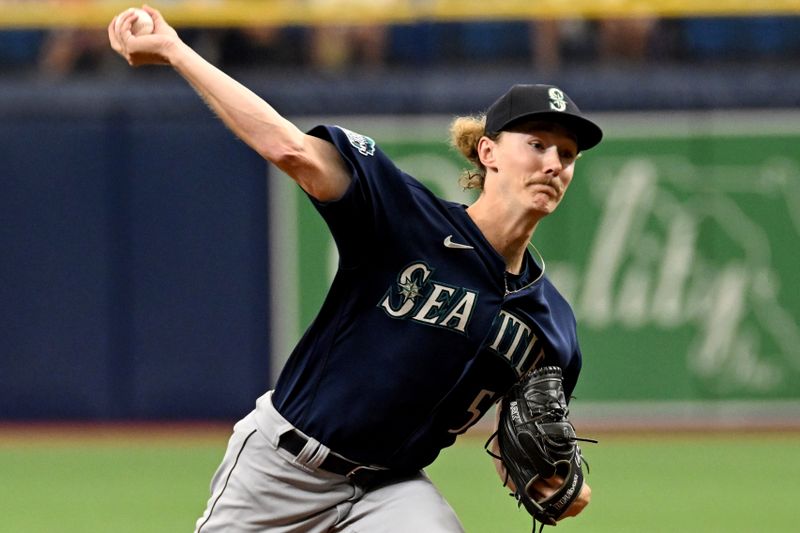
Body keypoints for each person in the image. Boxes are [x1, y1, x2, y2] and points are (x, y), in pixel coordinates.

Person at [108, 6, 603, 532]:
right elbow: (288, 146)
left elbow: (517, 447)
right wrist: (174, 50)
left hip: (390, 490)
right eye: (537, 144)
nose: (553, 163)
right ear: (488, 152)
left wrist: (559, 485)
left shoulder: (551, 326)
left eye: (567, 154)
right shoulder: (403, 217)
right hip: (282, 470)